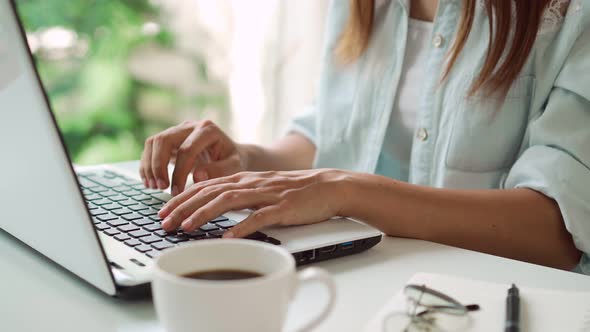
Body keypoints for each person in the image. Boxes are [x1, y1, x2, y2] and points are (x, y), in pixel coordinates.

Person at [139, 0, 590, 273]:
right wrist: (248, 160)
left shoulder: (571, 14)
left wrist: (348, 192)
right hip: (373, 281)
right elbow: (333, 134)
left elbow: (558, 230)